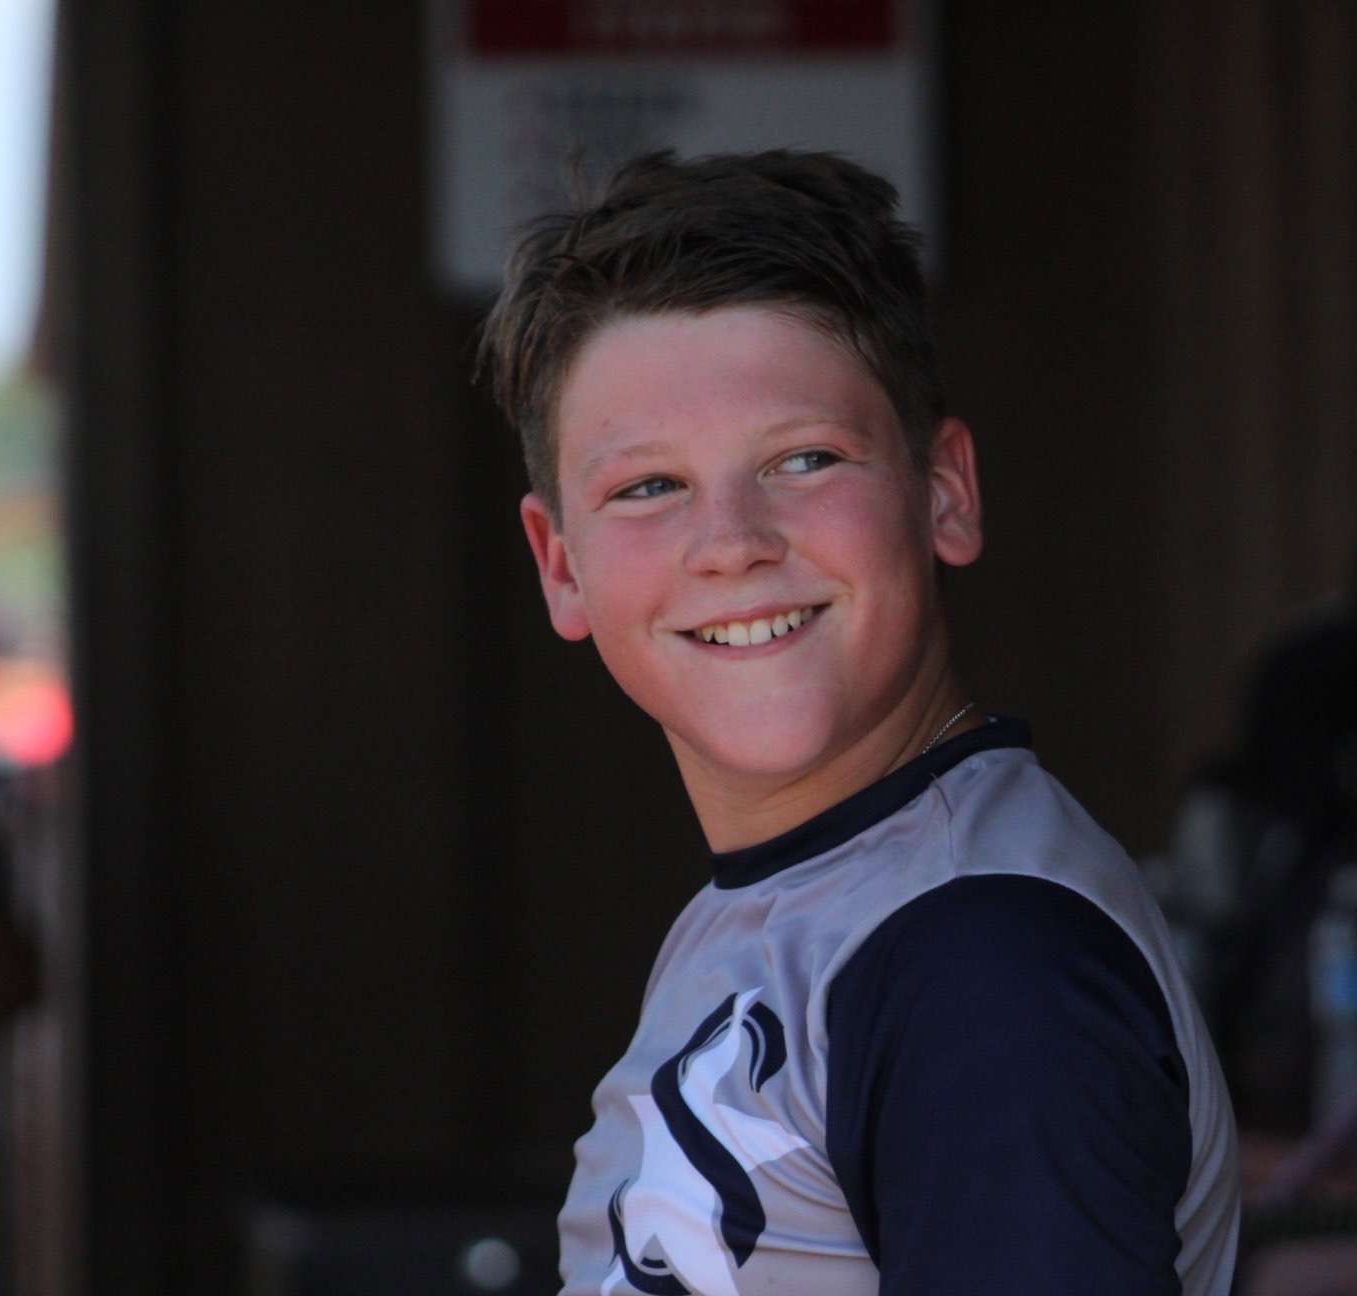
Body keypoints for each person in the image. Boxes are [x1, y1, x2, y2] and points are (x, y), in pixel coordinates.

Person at [477, 149, 1240, 1296]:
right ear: (560, 565)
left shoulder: (984, 968)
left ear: (945, 493)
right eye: (648, 487)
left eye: (804, 459)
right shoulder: (808, 905)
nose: (732, 543)